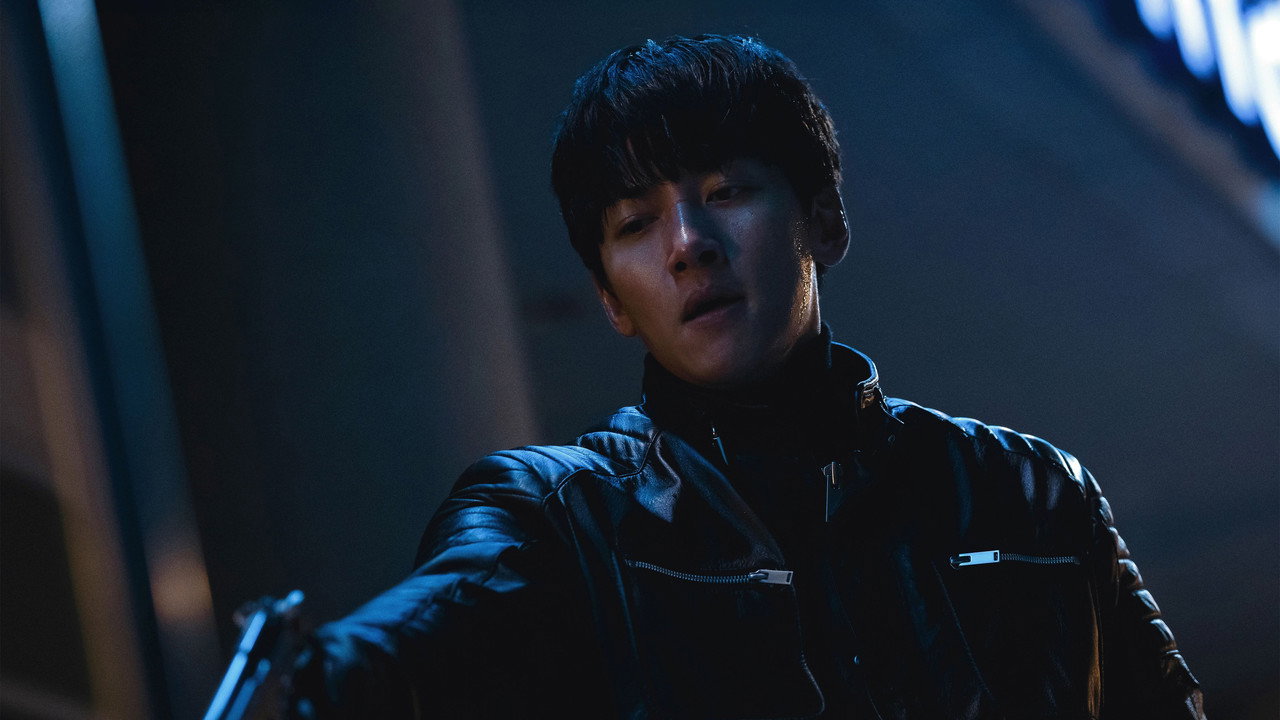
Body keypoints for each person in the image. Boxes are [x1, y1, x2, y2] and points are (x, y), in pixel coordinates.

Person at [285, 34, 1206, 719]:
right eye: (635, 223)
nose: (688, 244)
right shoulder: (556, 516)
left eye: (725, 191)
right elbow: (401, 650)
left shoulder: (1028, 492)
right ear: (610, 299)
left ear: (824, 222)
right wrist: (302, 681)